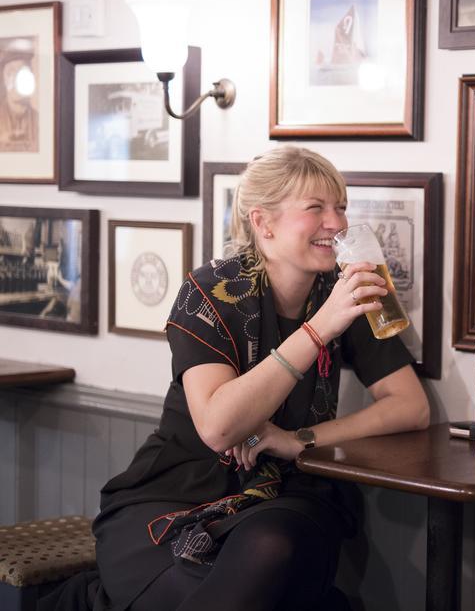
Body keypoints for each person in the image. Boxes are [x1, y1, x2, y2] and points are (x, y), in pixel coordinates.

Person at [42, 146, 429, 611]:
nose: (337, 222)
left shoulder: (347, 287)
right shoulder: (211, 290)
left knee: (273, 546)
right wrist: (321, 327)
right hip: (178, 488)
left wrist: (299, 438)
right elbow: (218, 427)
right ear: (263, 223)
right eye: (316, 208)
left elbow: (411, 406)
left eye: (341, 206)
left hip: (288, 491)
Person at [0, 42, 39, 153]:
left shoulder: (39, 121)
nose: (16, 79)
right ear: (4, 78)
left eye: (22, 72)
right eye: (10, 72)